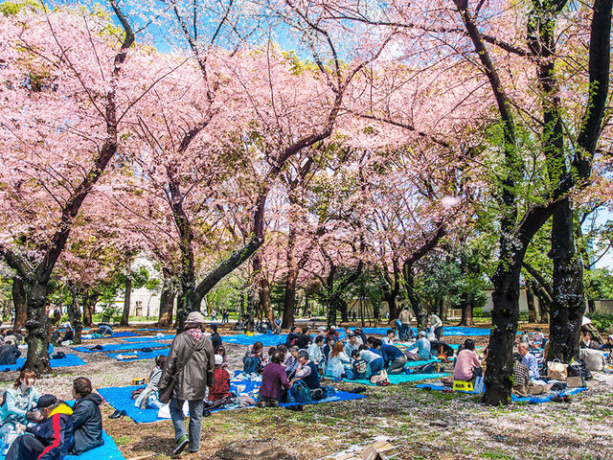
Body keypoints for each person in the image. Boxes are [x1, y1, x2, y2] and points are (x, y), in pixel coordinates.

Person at [158, 311, 215, 456]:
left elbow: (170, 363)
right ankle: (194, 446)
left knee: (175, 409)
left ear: (188, 324)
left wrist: (163, 383)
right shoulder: (207, 340)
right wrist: (210, 382)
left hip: (181, 382)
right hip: (199, 383)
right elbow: (211, 365)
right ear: (201, 324)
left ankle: (182, 435)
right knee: (196, 415)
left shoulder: (180, 339)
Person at [5, 394, 74, 460]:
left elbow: (57, 443)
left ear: (45, 410)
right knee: (25, 441)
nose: (41, 415)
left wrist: (43, 458)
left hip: (54, 456)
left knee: (23, 439)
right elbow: (45, 431)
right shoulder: (58, 412)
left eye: (41, 412)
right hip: (52, 451)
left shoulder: (57, 418)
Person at [69, 377, 103, 455]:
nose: (71, 391)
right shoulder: (85, 401)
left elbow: (71, 424)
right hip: (89, 434)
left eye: (73, 389)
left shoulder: (85, 406)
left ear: (77, 392)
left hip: (87, 439)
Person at [0, 370, 40, 434]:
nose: (32, 380)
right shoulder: (11, 392)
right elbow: (10, 409)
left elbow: (41, 400)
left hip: (23, 422)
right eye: (29, 378)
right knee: (10, 430)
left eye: (33, 378)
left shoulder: (32, 391)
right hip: (7, 421)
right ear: (21, 380)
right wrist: (26, 414)